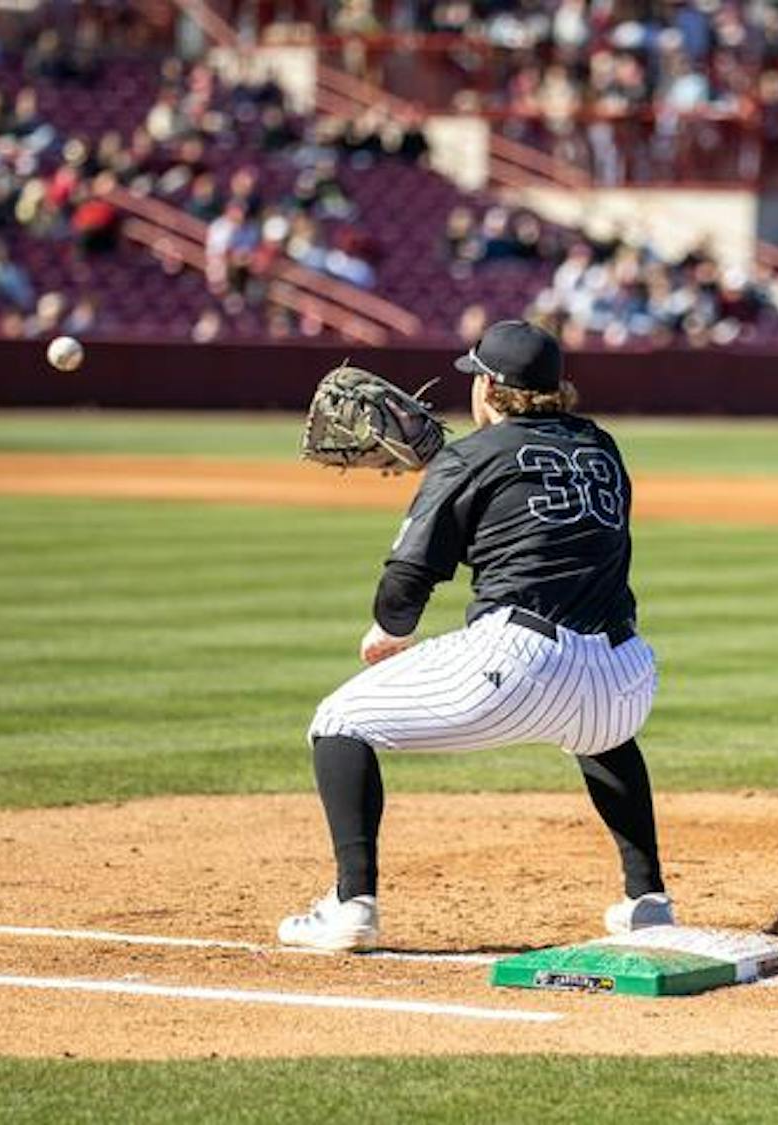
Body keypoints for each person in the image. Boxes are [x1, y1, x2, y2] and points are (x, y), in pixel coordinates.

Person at [279, 320, 674, 951]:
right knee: (605, 735)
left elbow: (405, 583)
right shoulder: (602, 446)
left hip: (522, 665)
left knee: (337, 722)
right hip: (626, 677)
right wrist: (456, 468)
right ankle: (648, 899)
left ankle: (350, 905)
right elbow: (532, 515)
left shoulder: (468, 458)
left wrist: (387, 634)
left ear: (488, 386)